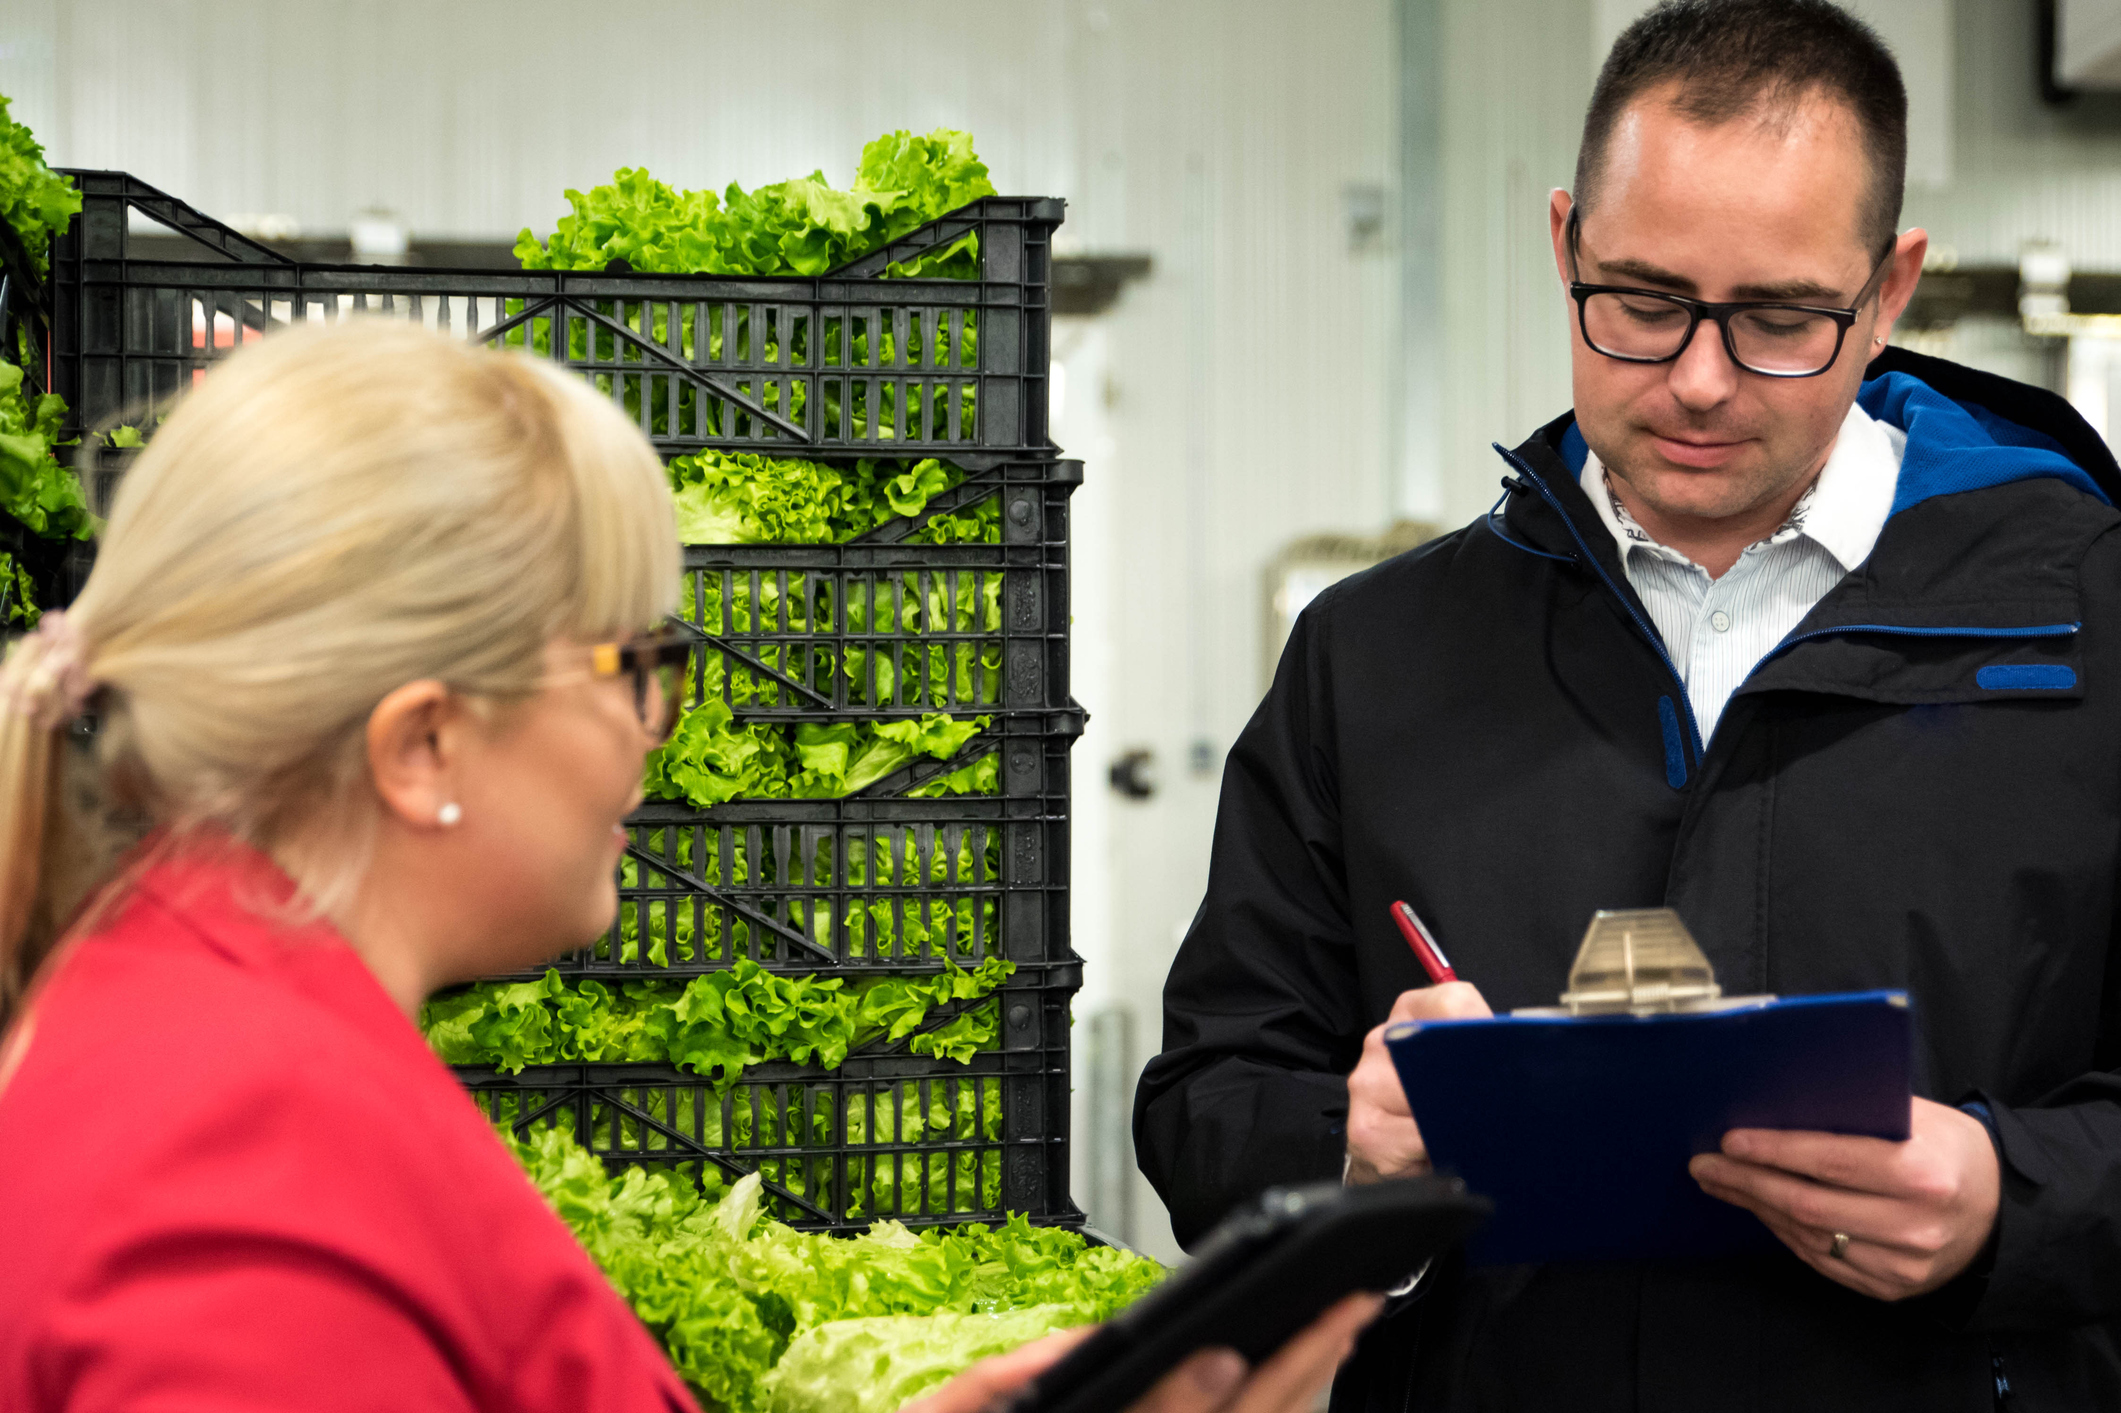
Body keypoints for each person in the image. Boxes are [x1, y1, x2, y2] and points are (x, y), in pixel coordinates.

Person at [0, 320, 1378, 1412]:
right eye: (632, 664)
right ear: (421, 742)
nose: (660, 727)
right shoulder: (247, 1159)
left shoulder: (204, 1016)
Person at [1135, 1, 2121, 1408]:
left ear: (1888, 286)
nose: (1699, 381)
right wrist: (1347, 1146)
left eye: (1779, 317)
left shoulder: (2089, 624)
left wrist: (2007, 1201)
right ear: (1562, 246)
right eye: (1642, 304)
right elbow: (1203, 1098)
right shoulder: (1374, 651)